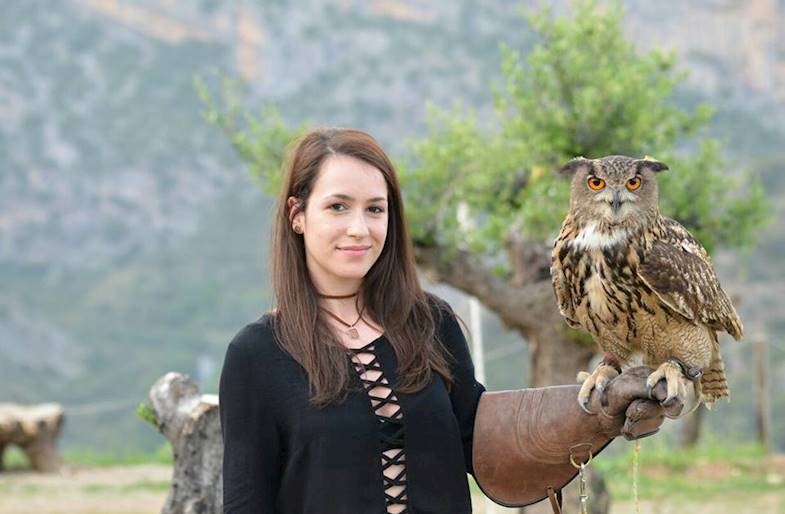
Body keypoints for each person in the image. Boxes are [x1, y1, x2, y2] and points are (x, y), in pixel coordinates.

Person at [219, 128, 691, 514]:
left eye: (375, 209)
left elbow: (484, 444)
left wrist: (599, 414)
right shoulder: (257, 355)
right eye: (337, 206)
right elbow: (246, 504)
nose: (359, 228)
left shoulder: (430, 324)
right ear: (297, 215)